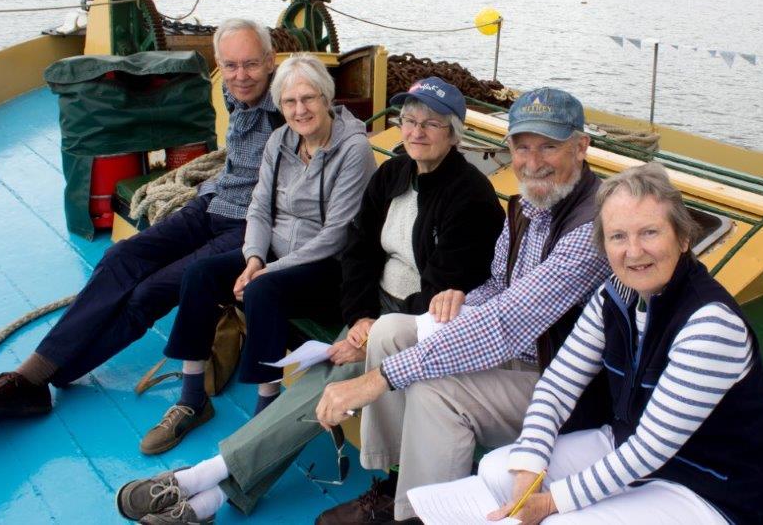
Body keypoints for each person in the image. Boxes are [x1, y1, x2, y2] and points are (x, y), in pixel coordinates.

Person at [115, 77, 505, 524]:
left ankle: (196, 480)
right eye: (409, 120)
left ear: (453, 135)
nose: (416, 131)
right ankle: (207, 502)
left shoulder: (469, 196)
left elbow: (443, 291)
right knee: (320, 382)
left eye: (431, 124)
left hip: (420, 326)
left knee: (326, 386)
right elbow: (359, 250)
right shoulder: (396, 173)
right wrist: (360, 315)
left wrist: (371, 331)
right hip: (376, 310)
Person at [314, 86, 613, 524]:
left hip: (561, 379)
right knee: (389, 330)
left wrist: (377, 380)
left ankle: (418, 514)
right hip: (518, 353)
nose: (532, 162)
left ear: (581, 146)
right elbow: (499, 285)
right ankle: (395, 479)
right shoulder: (529, 205)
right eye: (522, 147)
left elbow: (508, 323)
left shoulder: (592, 227)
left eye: (549, 146)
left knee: (436, 393)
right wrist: (465, 299)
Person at [0, 18, 283, 418]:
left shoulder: (287, 104)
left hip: (253, 226)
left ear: (270, 61)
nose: (240, 75)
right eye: (230, 65)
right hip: (213, 204)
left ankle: (42, 379)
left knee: (151, 292)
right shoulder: (233, 92)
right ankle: (31, 377)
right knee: (120, 257)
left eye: (250, 64)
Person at [474, 163, 763, 525]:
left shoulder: (709, 324)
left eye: (649, 232)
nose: (633, 252)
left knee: (561, 520)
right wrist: (530, 464)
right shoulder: (615, 296)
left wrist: (550, 502)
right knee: (498, 470)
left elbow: (650, 447)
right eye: (618, 236)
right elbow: (557, 386)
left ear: (683, 238)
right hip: (627, 444)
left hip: (707, 487)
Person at [137, 53, 377, 454]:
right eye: (289, 101)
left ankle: (264, 416)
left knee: (265, 291)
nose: (300, 110)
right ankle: (192, 399)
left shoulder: (353, 151)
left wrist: (269, 272)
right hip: (274, 257)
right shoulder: (280, 141)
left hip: (327, 268)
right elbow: (260, 208)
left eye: (309, 98)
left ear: (326, 98)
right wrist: (253, 259)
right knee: (200, 275)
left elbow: (337, 234)